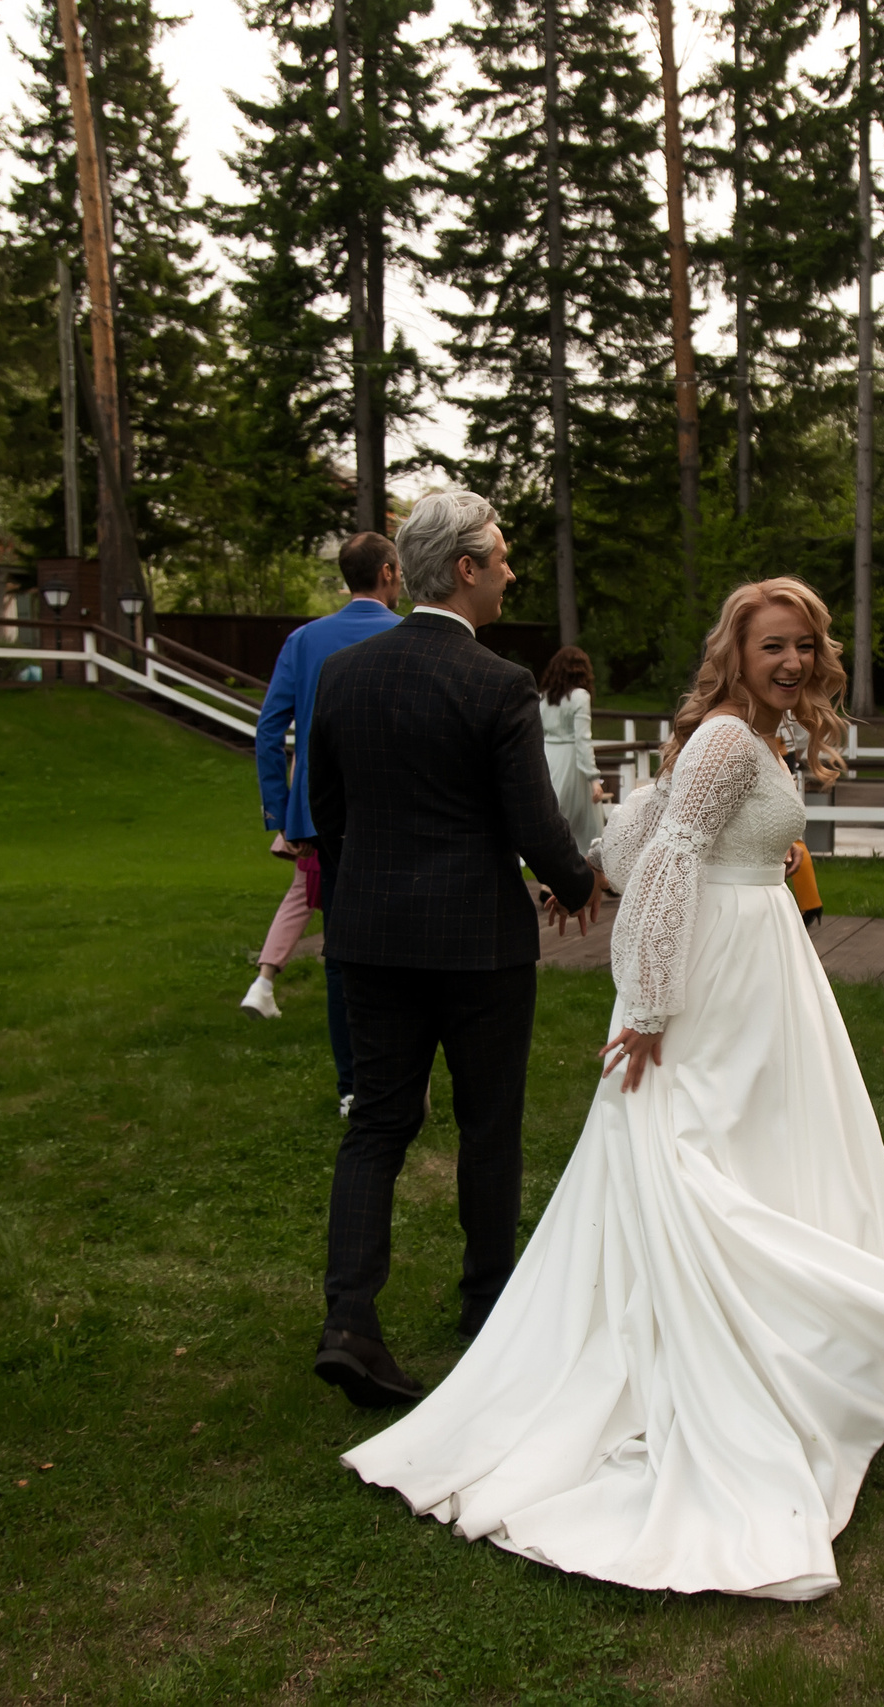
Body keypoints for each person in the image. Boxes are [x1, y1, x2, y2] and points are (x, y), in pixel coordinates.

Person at [342, 577, 884, 1602]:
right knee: (699, 1154)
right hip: (711, 980)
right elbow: (660, 869)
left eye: (803, 645)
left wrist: (656, 802)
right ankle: (739, 1354)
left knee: (762, 1145)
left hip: (761, 971)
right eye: (772, 648)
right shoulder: (722, 740)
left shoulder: (747, 737)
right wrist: (650, 1006)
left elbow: (621, 845)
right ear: (735, 653)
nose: (792, 662)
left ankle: (792, 1334)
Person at [304, 488, 600, 1410]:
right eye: (503, 556)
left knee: (379, 1126)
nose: (512, 570)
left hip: (371, 939)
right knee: (488, 1123)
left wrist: (360, 904)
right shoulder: (498, 683)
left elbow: (332, 818)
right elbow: (536, 826)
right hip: (479, 945)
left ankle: (350, 1319)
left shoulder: (345, 676)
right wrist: (581, 880)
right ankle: (488, 1307)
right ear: (465, 569)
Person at [243, 533, 403, 1118]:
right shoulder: (405, 633)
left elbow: (268, 731)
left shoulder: (305, 640)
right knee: (400, 946)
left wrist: (280, 811)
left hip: (321, 816)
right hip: (396, 814)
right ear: (388, 573)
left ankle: (352, 1085)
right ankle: (397, 1074)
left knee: (341, 950)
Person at [537, 644, 609, 856]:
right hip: (572, 763)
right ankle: (597, 879)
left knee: (555, 819)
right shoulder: (580, 696)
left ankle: (547, 882)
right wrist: (593, 778)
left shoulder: (543, 698)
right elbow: (582, 739)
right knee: (589, 827)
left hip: (548, 760)